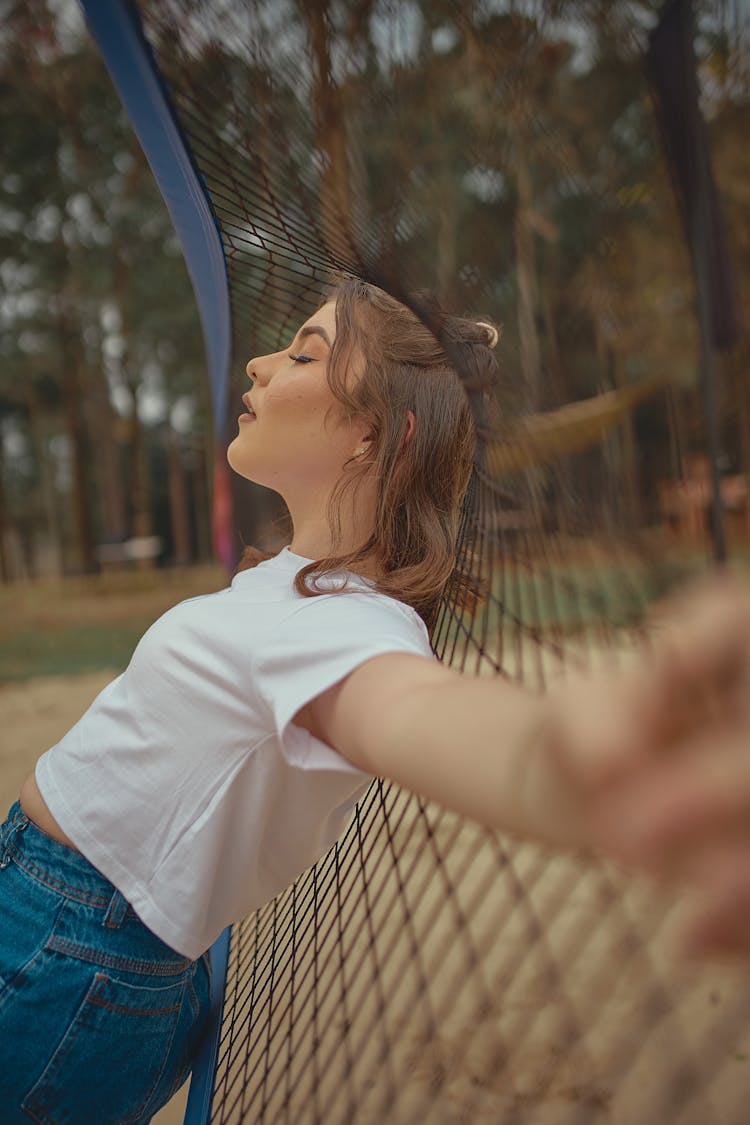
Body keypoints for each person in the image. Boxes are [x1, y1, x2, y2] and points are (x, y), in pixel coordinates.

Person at [2, 278, 750, 1123]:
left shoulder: (344, 622)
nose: (257, 363)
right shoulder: (296, 588)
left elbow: (419, 717)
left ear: (372, 433)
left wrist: (583, 755)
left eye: (302, 353)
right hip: (76, 945)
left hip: (64, 950)